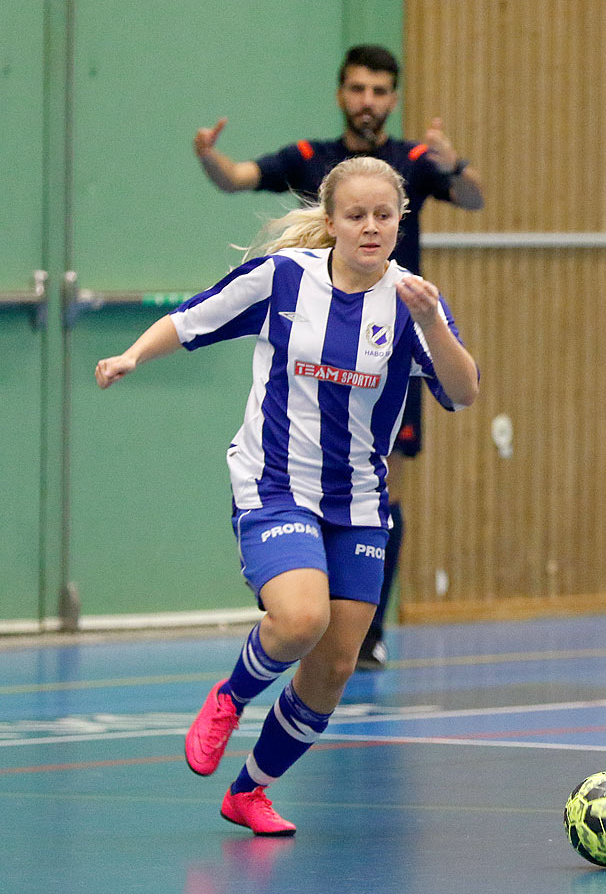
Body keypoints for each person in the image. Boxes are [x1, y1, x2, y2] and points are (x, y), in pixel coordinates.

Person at [97, 156, 480, 836]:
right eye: (356, 216)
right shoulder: (282, 280)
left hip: (359, 501)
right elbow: (191, 320)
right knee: (300, 621)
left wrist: (438, 327)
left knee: (333, 667)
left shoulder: (412, 299)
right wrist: (130, 354)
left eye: (384, 216)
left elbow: (463, 390)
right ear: (331, 222)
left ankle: (251, 791)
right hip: (275, 485)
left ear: (401, 221)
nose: (370, 228)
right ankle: (230, 696)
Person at [193, 43, 484, 670]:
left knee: (384, 490)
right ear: (341, 95)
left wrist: (456, 163)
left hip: (388, 356)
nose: (368, 102)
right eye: (358, 89)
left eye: (380, 91)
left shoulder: (412, 162)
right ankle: (295, 592)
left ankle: (366, 629)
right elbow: (237, 177)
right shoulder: (311, 160)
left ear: (393, 99)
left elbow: (473, 197)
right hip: (318, 356)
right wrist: (209, 158)